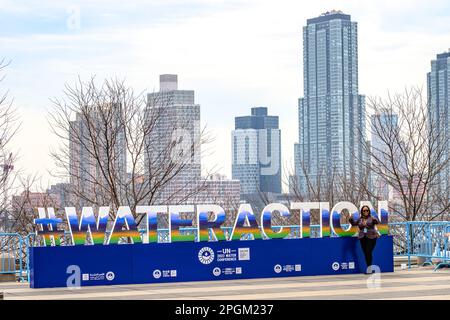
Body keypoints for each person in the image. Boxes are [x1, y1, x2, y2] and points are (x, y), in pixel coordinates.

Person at [348, 205, 380, 274]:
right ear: (362, 211)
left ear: (369, 211)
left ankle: (369, 269)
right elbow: (354, 224)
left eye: (367, 210)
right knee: (366, 253)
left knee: (368, 251)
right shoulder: (360, 219)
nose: (366, 212)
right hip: (363, 237)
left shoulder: (371, 218)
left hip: (372, 237)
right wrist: (350, 219)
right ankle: (369, 269)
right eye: (364, 210)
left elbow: (377, 222)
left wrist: (374, 219)